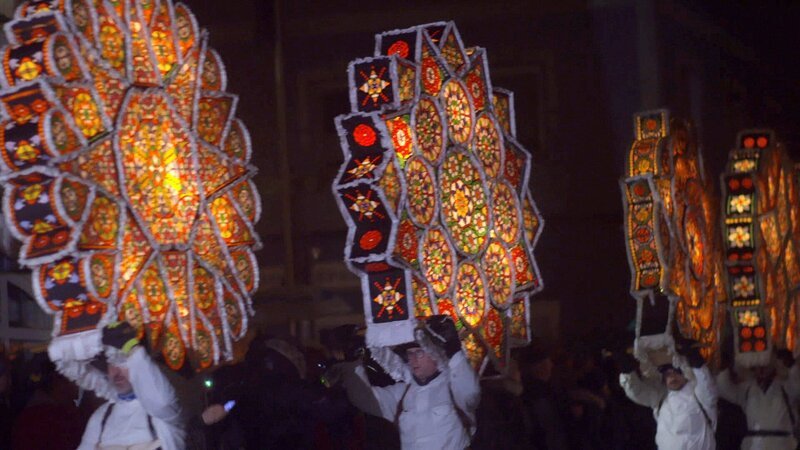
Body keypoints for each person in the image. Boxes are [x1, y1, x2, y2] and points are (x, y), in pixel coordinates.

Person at [338, 315, 480, 450]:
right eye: (410, 353)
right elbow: (365, 399)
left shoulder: (453, 387)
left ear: (435, 353)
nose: (413, 359)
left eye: (419, 352)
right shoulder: (403, 393)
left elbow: (470, 394)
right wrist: (352, 361)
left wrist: (454, 350)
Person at [77, 322, 185, 450]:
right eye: (112, 363)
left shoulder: (162, 415)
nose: (116, 371)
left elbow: (161, 402)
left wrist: (132, 349)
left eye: (123, 362)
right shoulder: (101, 417)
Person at [618, 339, 717, 450]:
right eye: (667, 373)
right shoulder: (660, 398)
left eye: (676, 371)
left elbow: (706, 385)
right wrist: (626, 369)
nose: (672, 376)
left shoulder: (698, 397)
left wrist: (694, 357)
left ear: (685, 373)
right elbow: (637, 391)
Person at [716, 349, 800, 450]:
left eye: (765, 365)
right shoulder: (748, 388)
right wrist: (730, 365)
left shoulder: (786, 386)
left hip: (782, 444)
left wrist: (791, 367)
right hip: (754, 445)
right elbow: (723, 387)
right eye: (758, 366)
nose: (761, 369)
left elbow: (797, 386)